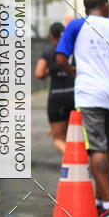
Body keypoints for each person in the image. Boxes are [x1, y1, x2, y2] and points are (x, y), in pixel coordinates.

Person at [56, 0, 109, 217]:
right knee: (106, 147)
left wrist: (73, 71)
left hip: (90, 94)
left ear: (87, 8)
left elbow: (60, 58)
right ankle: (100, 201)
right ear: (106, 6)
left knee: (96, 148)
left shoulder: (77, 26)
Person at [35, 22, 75, 154]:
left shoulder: (48, 51)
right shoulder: (73, 49)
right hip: (74, 95)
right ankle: (79, 161)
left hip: (57, 97)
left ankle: (74, 160)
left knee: (58, 138)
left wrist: (49, 71)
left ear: (51, 35)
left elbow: (39, 73)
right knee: (76, 137)